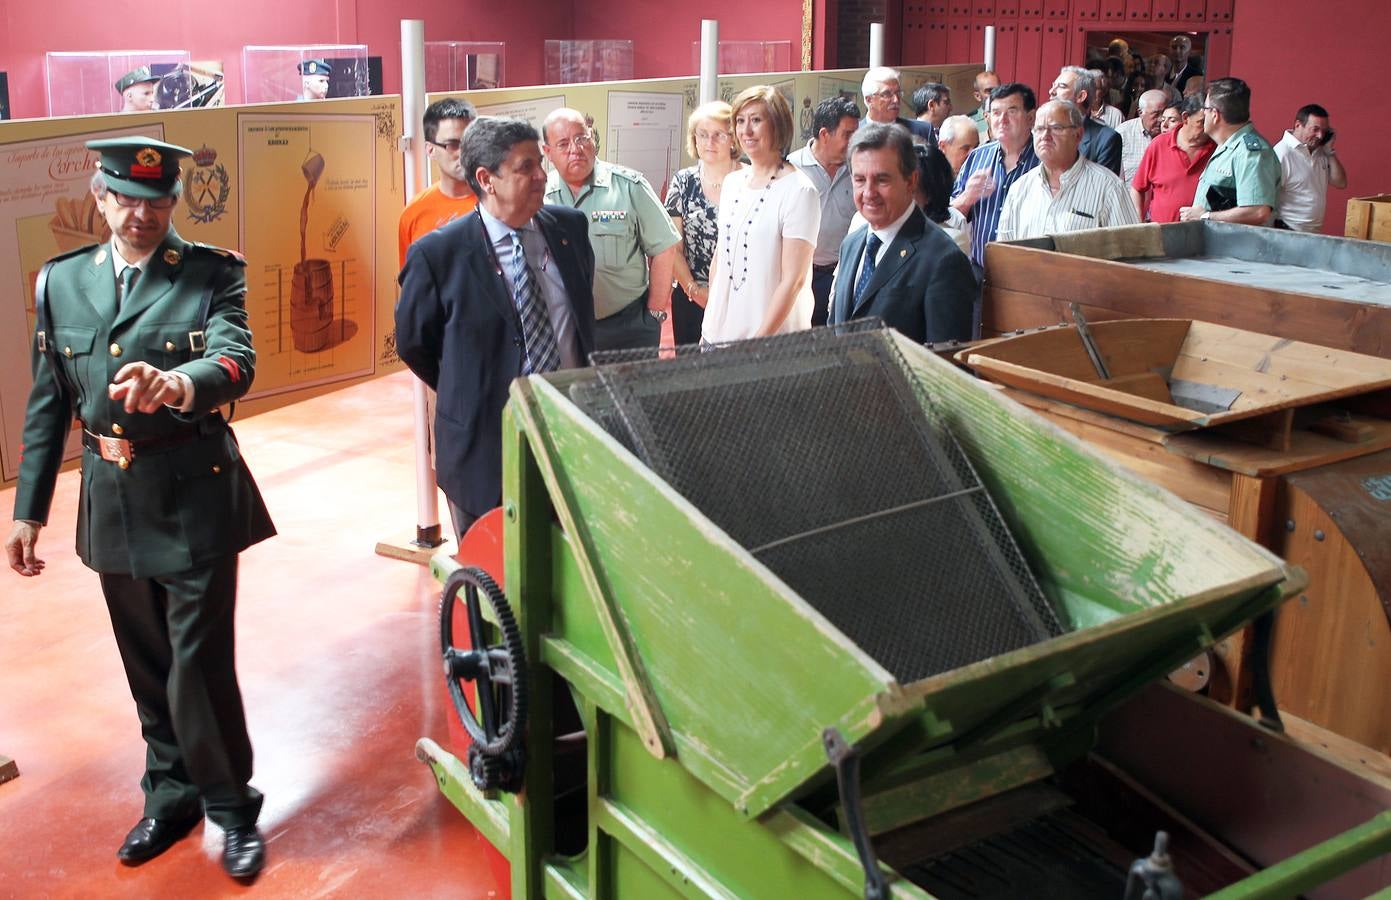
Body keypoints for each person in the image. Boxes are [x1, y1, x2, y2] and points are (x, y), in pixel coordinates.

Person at [5, 137, 275, 879]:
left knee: (196, 663)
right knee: (147, 662)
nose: (141, 214)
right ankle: (171, 794)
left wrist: (176, 384)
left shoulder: (211, 274)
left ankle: (230, 807)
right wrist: (30, 508)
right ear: (100, 197)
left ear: (173, 203)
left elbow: (235, 361)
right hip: (112, 495)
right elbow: (48, 401)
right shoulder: (61, 283)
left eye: (156, 202)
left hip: (193, 489)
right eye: (125, 198)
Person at [396, 117, 595, 535]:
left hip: (570, 437)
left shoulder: (570, 230)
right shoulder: (438, 256)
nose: (543, 175)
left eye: (541, 163)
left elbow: (579, 316)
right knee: (491, 583)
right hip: (483, 451)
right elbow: (416, 344)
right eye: (527, 167)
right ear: (486, 179)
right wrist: (469, 383)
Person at [542, 107, 680, 352]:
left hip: (627, 327)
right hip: (564, 328)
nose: (575, 149)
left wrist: (655, 313)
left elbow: (664, 248)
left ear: (592, 137)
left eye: (581, 137)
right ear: (548, 152)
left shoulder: (629, 186)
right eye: (563, 143)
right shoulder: (539, 198)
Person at [830, 123, 976, 344]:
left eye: (882, 180)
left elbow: (945, 367)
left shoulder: (944, 260)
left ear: (911, 181)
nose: (869, 193)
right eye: (860, 180)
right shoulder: (851, 244)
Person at [702, 85, 820, 343]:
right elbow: (720, 257)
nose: (746, 131)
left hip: (769, 343)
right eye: (740, 121)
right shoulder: (732, 182)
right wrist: (710, 321)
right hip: (717, 335)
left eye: (756, 120)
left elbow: (794, 281)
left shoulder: (800, 191)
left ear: (777, 125)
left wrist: (758, 343)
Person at [996, 101, 1140, 243]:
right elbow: (1005, 254)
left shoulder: (1109, 188)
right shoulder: (1020, 188)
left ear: (1078, 135)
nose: (1045, 135)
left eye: (1056, 128)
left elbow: (1132, 251)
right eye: (1039, 129)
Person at [664, 100, 743, 344]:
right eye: (703, 135)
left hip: (741, 299)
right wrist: (695, 291)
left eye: (719, 135)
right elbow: (671, 246)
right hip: (691, 297)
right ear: (694, 139)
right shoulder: (683, 182)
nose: (710, 142)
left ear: (733, 139)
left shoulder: (750, 180)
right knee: (692, 376)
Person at [787, 96, 860, 326]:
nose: (853, 142)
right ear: (824, 134)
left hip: (842, 274)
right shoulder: (791, 168)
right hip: (800, 276)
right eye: (847, 135)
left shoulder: (857, 170)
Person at [950, 82, 1040, 267]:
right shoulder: (977, 156)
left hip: (1025, 275)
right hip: (978, 270)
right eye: (996, 113)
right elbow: (949, 216)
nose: (1002, 119)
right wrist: (968, 197)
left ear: (1031, 117)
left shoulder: (1044, 161)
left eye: (1012, 111)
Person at [1179, 77, 1280, 225]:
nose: (1203, 114)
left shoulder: (1250, 153)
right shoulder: (1227, 146)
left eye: (1205, 109)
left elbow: (1258, 212)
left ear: (1215, 115)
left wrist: (1205, 216)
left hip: (1237, 246)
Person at [399, 97, 479, 269]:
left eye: (469, 142)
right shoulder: (414, 213)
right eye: (452, 144)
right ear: (430, 150)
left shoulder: (499, 203)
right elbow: (412, 286)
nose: (463, 152)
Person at [1131, 95, 1215, 223]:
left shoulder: (1217, 148)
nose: (1208, 128)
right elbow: (1137, 188)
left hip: (1203, 234)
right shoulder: (1159, 145)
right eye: (1202, 122)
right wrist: (1137, 222)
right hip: (1160, 234)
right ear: (1185, 118)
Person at [1274, 104, 1347, 233]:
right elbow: (1268, 196)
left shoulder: (1321, 151)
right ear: (1298, 125)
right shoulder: (1282, 153)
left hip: (1313, 232)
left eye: (1324, 131)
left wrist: (1329, 151)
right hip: (1286, 230)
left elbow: (1340, 183)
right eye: (1315, 129)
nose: (1320, 136)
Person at [1048, 67, 1122, 175]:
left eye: (1061, 86)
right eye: (1053, 86)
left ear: (1081, 96)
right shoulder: (1041, 132)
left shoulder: (1106, 139)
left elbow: (1102, 188)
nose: (1051, 91)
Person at [861, 67, 937, 145]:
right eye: (887, 94)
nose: (896, 100)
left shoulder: (922, 131)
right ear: (869, 100)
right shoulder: (853, 133)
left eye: (898, 93)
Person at [1117, 89, 1169, 183]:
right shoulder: (1123, 133)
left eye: (1164, 113)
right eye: (1156, 114)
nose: (1161, 119)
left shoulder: (1171, 133)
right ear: (1140, 113)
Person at [968, 70, 1001, 138]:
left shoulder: (1011, 118)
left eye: (998, 89)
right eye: (989, 91)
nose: (995, 94)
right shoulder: (969, 123)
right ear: (978, 96)